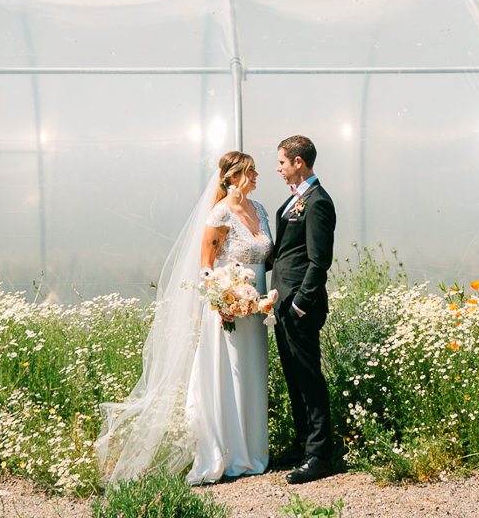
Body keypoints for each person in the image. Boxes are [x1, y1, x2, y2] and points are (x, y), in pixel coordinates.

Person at [95, 151, 273, 484]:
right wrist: (225, 299)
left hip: (256, 309)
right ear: (233, 177)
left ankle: (254, 451)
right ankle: (229, 453)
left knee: (252, 374)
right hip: (229, 311)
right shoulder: (220, 213)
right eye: (250, 171)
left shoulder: (260, 210)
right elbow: (206, 266)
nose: (257, 175)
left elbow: (267, 256)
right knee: (231, 375)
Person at [270, 134, 342, 483]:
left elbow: (318, 261)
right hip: (282, 304)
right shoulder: (293, 201)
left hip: (300, 305)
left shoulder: (317, 203)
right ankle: (302, 443)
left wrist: (300, 303)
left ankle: (319, 455)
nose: (278, 168)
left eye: (282, 162)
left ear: (299, 162)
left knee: (309, 378)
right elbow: (284, 253)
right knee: (294, 377)